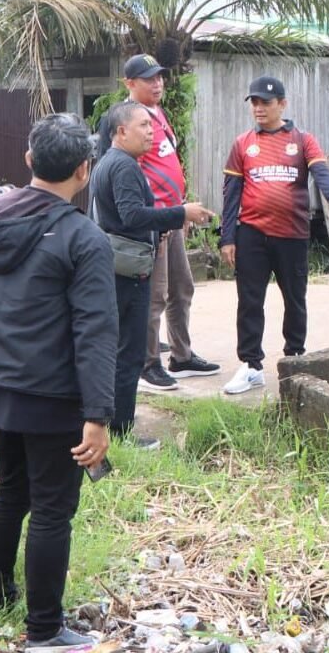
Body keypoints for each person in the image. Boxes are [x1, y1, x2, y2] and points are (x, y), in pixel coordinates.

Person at [0, 113, 116, 648]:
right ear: (85, 170)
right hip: (53, 397)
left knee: (11, 490)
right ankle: (45, 630)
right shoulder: (84, 238)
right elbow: (97, 333)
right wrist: (98, 417)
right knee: (53, 510)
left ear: (29, 161)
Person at [219, 76, 329, 395]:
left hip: (292, 234)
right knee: (250, 301)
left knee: (295, 299)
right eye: (254, 102)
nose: (259, 108)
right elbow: (231, 194)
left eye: (265, 103)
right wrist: (228, 237)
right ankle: (252, 365)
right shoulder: (242, 143)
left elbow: (323, 175)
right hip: (251, 234)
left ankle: (295, 359)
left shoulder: (302, 140)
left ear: (282, 104)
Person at [95, 54, 221, 392]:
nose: (158, 83)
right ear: (129, 84)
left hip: (173, 216)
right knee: (154, 296)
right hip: (151, 225)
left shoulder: (157, 116)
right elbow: (111, 181)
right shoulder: (122, 122)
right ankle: (148, 363)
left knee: (182, 288)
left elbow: (167, 165)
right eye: (148, 78)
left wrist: (182, 210)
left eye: (160, 77)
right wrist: (166, 218)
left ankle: (181, 355)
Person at [90, 101, 214, 438]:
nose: (151, 132)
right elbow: (131, 215)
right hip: (129, 271)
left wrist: (162, 227)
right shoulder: (124, 166)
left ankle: (114, 425)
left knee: (121, 350)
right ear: (121, 131)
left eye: (151, 125)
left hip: (119, 266)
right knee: (129, 353)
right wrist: (180, 213)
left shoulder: (109, 163)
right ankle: (121, 430)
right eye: (144, 125)